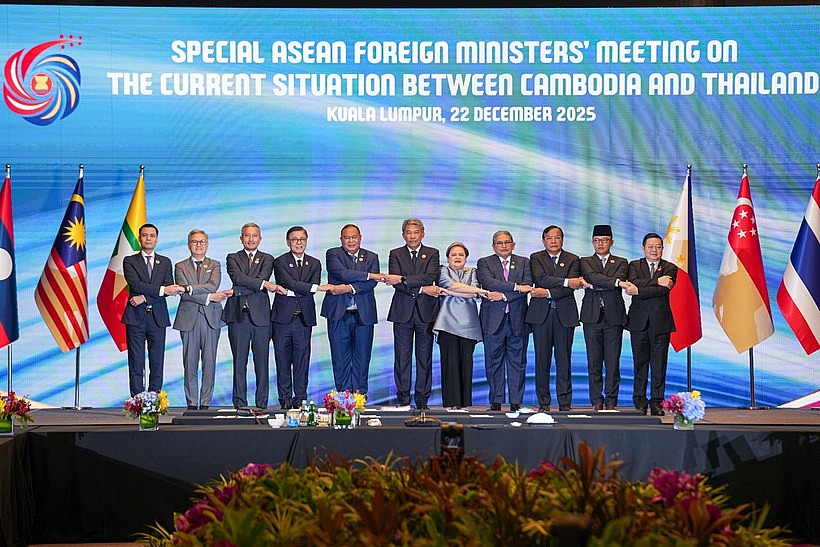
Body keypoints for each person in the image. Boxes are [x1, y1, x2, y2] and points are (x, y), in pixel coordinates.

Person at [222, 223, 285, 411]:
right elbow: (237, 278)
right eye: (247, 236)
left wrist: (240, 289)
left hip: (261, 318)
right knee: (239, 362)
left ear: (260, 238)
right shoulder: (232, 257)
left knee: (262, 362)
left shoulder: (268, 259)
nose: (251, 239)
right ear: (241, 238)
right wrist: (264, 284)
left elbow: (246, 281)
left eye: (254, 236)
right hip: (238, 316)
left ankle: (262, 404)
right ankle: (240, 403)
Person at [381, 218, 441, 410]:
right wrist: (423, 289)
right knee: (402, 357)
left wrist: (405, 278)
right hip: (402, 313)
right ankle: (403, 399)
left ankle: (422, 400)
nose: (412, 236)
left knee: (424, 358)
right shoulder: (395, 254)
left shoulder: (432, 253)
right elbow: (395, 283)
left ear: (422, 233)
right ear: (403, 235)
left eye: (416, 232)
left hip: (426, 313)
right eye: (408, 232)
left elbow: (430, 276)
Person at [525, 225, 584, 412]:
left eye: (557, 237)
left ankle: (565, 402)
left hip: (564, 316)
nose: (553, 241)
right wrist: (565, 281)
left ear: (562, 240)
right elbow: (540, 279)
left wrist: (549, 292)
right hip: (541, 316)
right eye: (549, 238)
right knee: (542, 360)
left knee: (563, 359)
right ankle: (544, 402)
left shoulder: (573, 259)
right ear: (543, 240)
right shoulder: (536, 257)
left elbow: (571, 287)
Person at [122, 223, 185, 396]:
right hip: (135, 318)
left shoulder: (164, 262)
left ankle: (155, 401)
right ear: (139, 238)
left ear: (157, 239)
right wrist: (161, 290)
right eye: (145, 235)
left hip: (157, 318)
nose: (148, 238)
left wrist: (144, 297)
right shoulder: (129, 261)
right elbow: (136, 284)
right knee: (136, 362)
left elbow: (168, 288)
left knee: (157, 362)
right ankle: (137, 402)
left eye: (152, 235)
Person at [173, 229, 232, 410]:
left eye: (202, 241)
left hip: (211, 319)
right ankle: (191, 403)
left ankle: (205, 403)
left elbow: (213, 285)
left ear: (207, 244)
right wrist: (208, 297)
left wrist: (190, 289)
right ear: (188, 244)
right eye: (195, 241)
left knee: (209, 362)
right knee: (189, 363)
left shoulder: (214, 264)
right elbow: (182, 291)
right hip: (188, 319)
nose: (199, 245)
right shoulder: (180, 266)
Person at [621, 232, 678, 416]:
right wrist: (654, 282)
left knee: (659, 365)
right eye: (650, 247)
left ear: (662, 248)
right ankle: (639, 402)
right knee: (640, 364)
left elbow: (663, 290)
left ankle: (657, 402)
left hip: (661, 323)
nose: (654, 250)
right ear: (643, 248)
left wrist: (640, 290)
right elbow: (633, 284)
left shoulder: (670, 267)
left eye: (658, 247)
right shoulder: (634, 265)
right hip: (638, 322)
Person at [320, 224, 381, 394]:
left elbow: (371, 284)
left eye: (354, 237)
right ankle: (343, 399)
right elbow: (342, 273)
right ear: (341, 240)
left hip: (364, 315)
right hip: (339, 314)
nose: (351, 241)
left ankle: (360, 398)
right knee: (340, 360)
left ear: (360, 238)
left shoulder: (372, 257)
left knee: (362, 359)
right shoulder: (333, 254)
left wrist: (348, 288)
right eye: (347, 238)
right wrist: (369, 275)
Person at [476, 230, 532, 412]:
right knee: (493, 362)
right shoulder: (484, 262)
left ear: (513, 244)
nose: (504, 246)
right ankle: (496, 401)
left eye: (507, 242)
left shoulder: (524, 262)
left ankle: (516, 402)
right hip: (492, 321)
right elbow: (489, 283)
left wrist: (504, 296)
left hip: (518, 320)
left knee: (518, 362)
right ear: (494, 246)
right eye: (499, 243)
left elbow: (528, 286)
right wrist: (516, 288)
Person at [271, 226, 326, 411]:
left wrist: (298, 290)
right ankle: (285, 399)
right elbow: (289, 283)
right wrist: (308, 288)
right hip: (282, 320)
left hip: (303, 319)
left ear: (307, 240)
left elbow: (314, 284)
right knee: (282, 360)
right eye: (295, 239)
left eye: (302, 239)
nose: (299, 242)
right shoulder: (279, 262)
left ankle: (300, 398)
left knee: (302, 361)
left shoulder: (315, 263)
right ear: (288, 242)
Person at [433, 242, 488, 409]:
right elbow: (451, 285)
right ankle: (450, 405)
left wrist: (450, 293)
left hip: (469, 326)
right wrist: (464, 291)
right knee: (449, 366)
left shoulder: (474, 272)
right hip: (447, 323)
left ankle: (465, 406)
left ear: (466, 258)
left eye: (461, 255)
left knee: (466, 365)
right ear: (448, 258)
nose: (457, 257)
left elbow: (474, 291)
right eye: (454, 255)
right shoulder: (442, 270)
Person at [579, 225, 628, 411]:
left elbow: (596, 280)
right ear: (592, 242)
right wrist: (614, 282)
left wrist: (594, 284)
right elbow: (591, 276)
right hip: (591, 317)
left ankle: (611, 400)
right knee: (594, 361)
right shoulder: (584, 261)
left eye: (604, 240)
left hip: (614, 317)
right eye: (597, 240)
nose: (600, 244)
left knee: (613, 362)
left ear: (611, 242)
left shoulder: (622, 262)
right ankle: (596, 401)